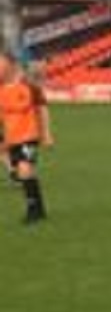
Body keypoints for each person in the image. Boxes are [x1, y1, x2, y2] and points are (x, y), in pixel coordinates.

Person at [0, 49, 51, 223]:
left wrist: (46, 134)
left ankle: (33, 210)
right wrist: (5, 141)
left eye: (0, 63)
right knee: (24, 174)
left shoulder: (27, 85)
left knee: (24, 168)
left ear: (10, 63)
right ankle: (38, 208)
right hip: (12, 137)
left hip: (28, 135)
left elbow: (42, 108)